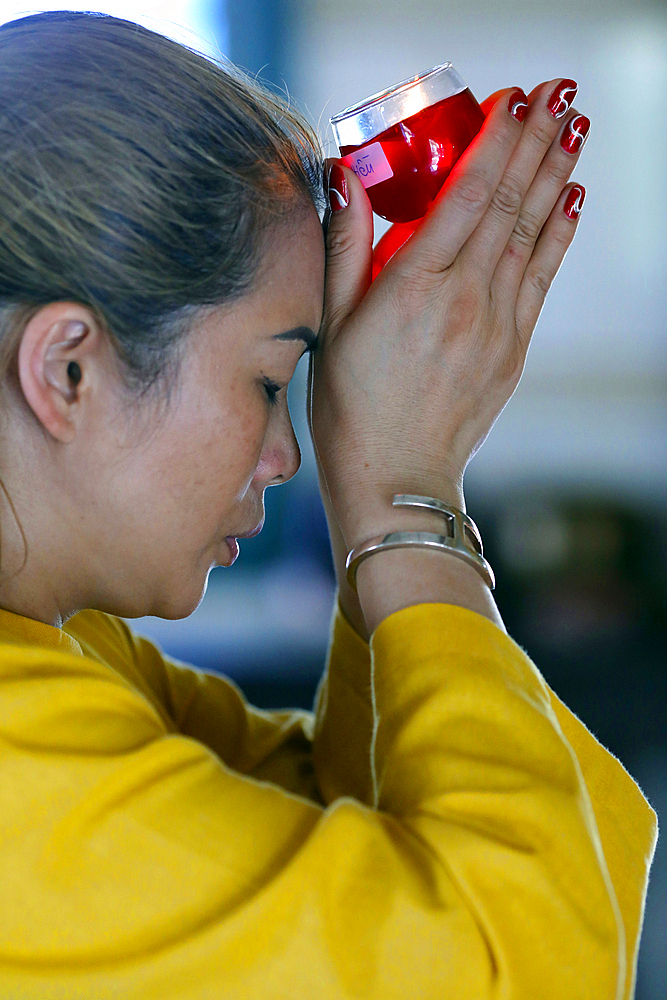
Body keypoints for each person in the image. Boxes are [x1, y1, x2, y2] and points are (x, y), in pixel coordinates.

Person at [0, 10, 656, 1000]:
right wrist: (406, 488)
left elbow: (334, 835)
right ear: (70, 369)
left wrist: (385, 504)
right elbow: (512, 965)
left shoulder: (78, 655)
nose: (287, 453)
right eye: (273, 381)